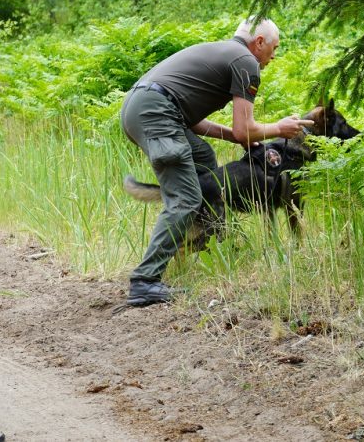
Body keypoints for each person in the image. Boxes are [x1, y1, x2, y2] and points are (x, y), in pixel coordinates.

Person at [119, 17, 312, 306]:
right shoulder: (246, 62)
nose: (273, 56)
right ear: (259, 43)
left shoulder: (223, 53)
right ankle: (145, 281)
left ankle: (209, 232)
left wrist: (236, 138)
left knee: (204, 157)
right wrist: (278, 128)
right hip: (156, 113)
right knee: (185, 198)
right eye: (274, 48)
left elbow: (198, 124)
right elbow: (244, 129)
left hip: (141, 106)